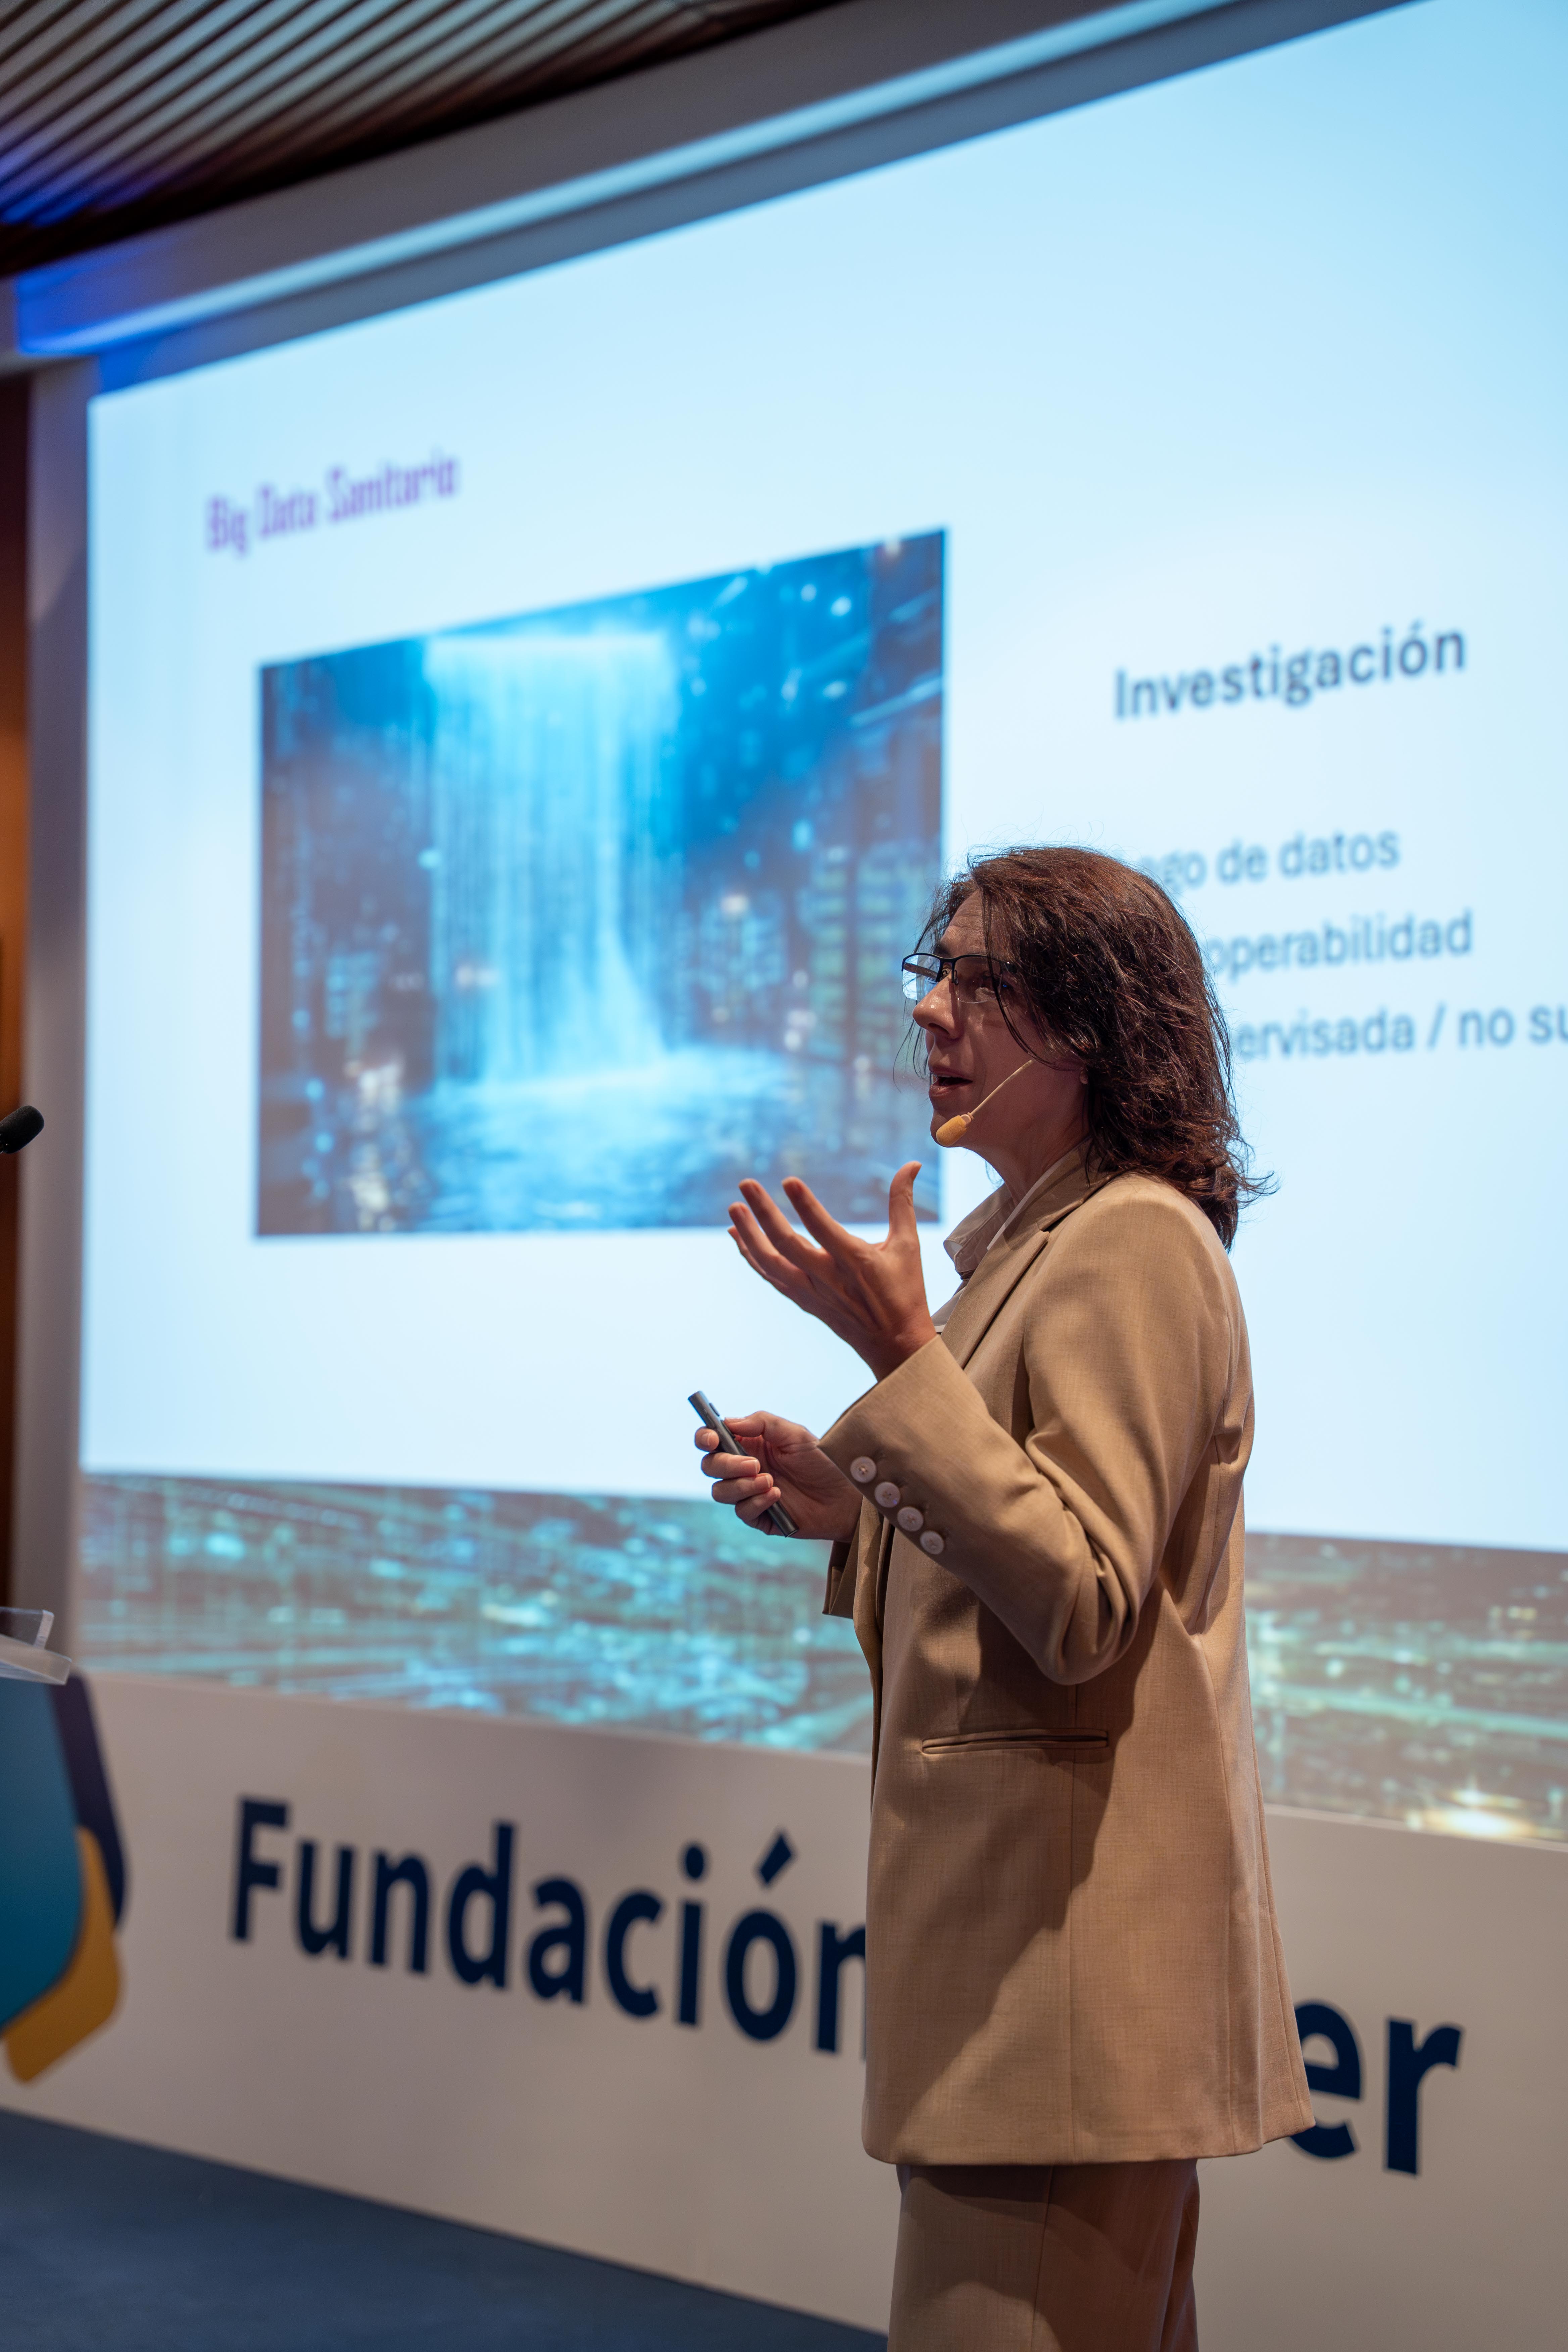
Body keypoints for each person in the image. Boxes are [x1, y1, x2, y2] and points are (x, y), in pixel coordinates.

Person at [696, 845, 1313, 2352]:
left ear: (1096, 1027)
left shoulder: (1131, 1242)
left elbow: (1086, 1595)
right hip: (1033, 1995)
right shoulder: (1040, 1244)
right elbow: (1028, 1543)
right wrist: (856, 1508)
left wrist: (902, 1366)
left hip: (1061, 2002)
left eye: (981, 981)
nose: (931, 1012)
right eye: (938, 974)